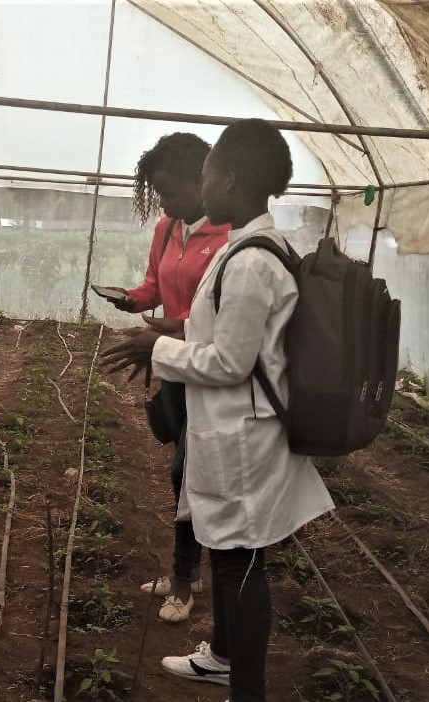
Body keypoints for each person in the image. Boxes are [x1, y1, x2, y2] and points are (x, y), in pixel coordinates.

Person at [100, 119, 334, 702]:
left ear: (229, 179)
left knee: (239, 565)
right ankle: (224, 658)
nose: (199, 186)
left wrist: (159, 348)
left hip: (244, 440)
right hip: (234, 431)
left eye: (205, 174)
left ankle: (243, 688)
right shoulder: (248, 248)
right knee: (234, 558)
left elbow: (230, 362)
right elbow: (220, 335)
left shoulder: (253, 260)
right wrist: (159, 346)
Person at [98, 132, 232, 623]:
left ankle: (184, 580)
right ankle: (190, 570)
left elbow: (219, 318)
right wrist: (132, 300)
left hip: (211, 370)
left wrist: (170, 334)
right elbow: (156, 285)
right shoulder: (166, 230)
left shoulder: (230, 238)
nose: (166, 202)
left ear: (205, 180)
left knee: (187, 471)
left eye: (172, 191)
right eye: (159, 192)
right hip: (174, 366)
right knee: (181, 470)